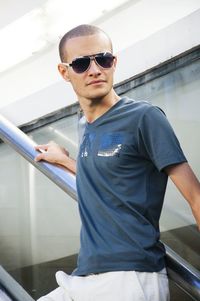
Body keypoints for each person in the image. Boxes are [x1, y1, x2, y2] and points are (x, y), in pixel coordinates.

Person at [35, 24, 200, 301]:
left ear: (114, 62)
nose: (95, 69)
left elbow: (195, 196)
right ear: (64, 72)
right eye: (81, 64)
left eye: (103, 59)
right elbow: (107, 178)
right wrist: (65, 161)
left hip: (129, 279)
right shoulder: (87, 128)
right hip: (84, 278)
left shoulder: (143, 117)